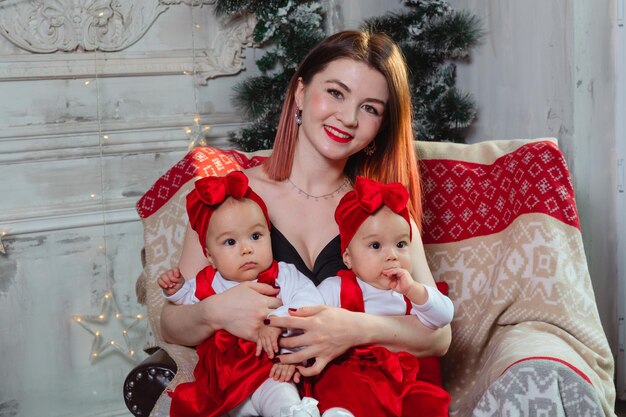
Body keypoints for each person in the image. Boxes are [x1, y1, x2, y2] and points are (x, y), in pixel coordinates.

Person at [159, 29, 451, 390]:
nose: (348, 118)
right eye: (335, 93)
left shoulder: (384, 211)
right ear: (300, 93)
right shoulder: (225, 200)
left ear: (381, 127)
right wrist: (214, 311)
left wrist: (352, 329)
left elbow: (438, 337)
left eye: (370, 108)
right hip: (264, 395)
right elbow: (170, 323)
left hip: (364, 396)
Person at [158, 171, 325, 417]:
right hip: (225, 378)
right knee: (227, 407)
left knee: (279, 393)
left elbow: (309, 303)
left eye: (256, 236)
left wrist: (276, 323)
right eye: (230, 242)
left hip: (269, 368)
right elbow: (187, 302)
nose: (246, 249)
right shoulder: (209, 282)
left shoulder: (283, 275)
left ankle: (296, 412)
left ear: (269, 237)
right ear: (210, 257)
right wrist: (177, 288)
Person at [306, 176, 453, 416]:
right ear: (348, 258)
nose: (392, 256)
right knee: (338, 384)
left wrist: (414, 290)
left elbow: (443, 316)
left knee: (422, 402)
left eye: (401, 244)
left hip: (399, 379)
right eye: (376, 246)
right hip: (354, 377)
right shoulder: (335, 288)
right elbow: (310, 321)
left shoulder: (410, 292)